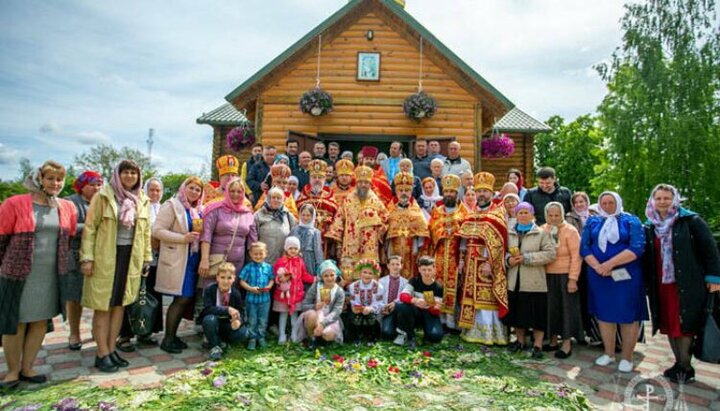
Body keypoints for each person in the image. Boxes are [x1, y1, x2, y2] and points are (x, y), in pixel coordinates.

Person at [0, 161, 77, 389]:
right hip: (19, 274)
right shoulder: (15, 203)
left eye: (59, 179)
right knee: (17, 321)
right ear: (40, 179)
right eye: (50, 178)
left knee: (40, 320)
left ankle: (28, 367)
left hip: (51, 275)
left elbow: (69, 238)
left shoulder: (66, 207)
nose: (55, 183)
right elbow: (1, 238)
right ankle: (12, 371)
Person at [643, 184, 720, 383]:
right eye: (658, 198)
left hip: (687, 284)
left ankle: (686, 367)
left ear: (675, 199)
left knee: (684, 324)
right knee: (668, 323)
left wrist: (714, 279)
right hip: (661, 284)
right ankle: (678, 363)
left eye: (666, 198)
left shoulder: (690, 221)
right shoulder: (650, 225)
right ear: (653, 201)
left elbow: (710, 251)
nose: (662, 202)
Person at [81, 159, 151, 373]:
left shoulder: (142, 200)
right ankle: (101, 353)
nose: (130, 176)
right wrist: (87, 258)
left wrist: (146, 258)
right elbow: (90, 228)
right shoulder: (103, 196)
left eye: (133, 173)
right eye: (126, 172)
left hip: (130, 257)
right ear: (117, 175)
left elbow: (146, 233)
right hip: (106, 257)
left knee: (120, 304)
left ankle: (111, 350)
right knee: (104, 305)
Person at [581, 191, 646, 372]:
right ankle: (608, 353)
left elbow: (637, 247)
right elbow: (585, 247)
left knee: (628, 315)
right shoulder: (593, 221)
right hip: (599, 276)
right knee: (604, 314)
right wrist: (598, 267)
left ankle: (627, 357)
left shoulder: (631, 221)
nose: (608, 206)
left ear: (618, 202)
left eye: (611, 202)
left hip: (626, 275)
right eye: (604, 203)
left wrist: (609, 264)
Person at [153, 176, 205, 354]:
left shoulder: (197, 209)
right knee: (180, 298)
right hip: (178, 258)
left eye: (198, 190)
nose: (194, 192)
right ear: (184, 188)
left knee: (185, 298)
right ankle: (168, 339)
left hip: (191, 259)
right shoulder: (172, 205)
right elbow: (157, 230)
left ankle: (173, 336)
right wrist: (183, 239)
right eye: (191, 188)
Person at [456, 172, 509, 345]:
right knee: (471, 296)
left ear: (491, 193)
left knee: (486, 297)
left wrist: (489, 262)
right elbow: (464, 240)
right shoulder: (470, 214)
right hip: (470, 262)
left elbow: (498, 243)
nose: (481, 195)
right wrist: (462, 261)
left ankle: (489, 334)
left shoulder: (496, 214)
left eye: (485, 191)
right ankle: (471, 331)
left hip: (485, 262)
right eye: (479, 192)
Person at [117, 176, 165, 351]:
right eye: (151, 189)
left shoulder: (163, 209)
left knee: (151, 296)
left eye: (158, 190)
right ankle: (125, 334)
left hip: (157, 260)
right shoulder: (137, 205)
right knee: (131, 296)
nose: (155, 193)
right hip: (136, 259)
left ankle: (146, 331)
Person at [505, 202, 556, 359]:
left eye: (526, 212)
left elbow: (550, 254)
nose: (523, 215)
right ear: (516, 215)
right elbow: (503, 253)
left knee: (537, 315)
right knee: (518, 313)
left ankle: (537, 345)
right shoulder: (510, 233)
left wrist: (527, 258)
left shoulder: (541, 233)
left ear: (532, 215)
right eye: (520, 213)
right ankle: (520, 341)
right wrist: (508, 260)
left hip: (534, 281)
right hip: (515, 280)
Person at [63, 170, 103, 351]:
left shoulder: (102, 201)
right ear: (81, 186)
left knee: (98, 295)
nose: (96, 188)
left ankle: (97, 330)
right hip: (75, 254)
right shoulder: (71, 202)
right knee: (74, 297)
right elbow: (67, 227)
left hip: (100, 255)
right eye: (91, 184)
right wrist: (91, 227)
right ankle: (74, 333)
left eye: (98, 184)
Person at [541, 202, 583, 358]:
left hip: (565, 275)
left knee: (566, 309)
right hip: (547, 275)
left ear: (562, 214)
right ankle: (552, 340)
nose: (553, 218)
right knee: (551, 308)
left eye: (556, 215)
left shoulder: (570, 231)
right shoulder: (542, 229)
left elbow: (576, 256)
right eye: (550, 215)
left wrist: (573, 279)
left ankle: (566, 343)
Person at [426, 174, 467, 330]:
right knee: (438, 286)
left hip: (456, 256)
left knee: (454, 286)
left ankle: (452, 321)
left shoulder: (463, 212)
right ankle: (439, 318)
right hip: (439, 254)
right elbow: (432, 229)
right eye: (447, 191)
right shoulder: (437, 211)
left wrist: (455, 231)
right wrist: (443, 231)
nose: (449, 194)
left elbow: (465, 234)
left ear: (457, 193)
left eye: (452, 192)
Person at [327, 165, 389, 266]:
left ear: (370, 184)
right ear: (356, 183)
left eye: (366, 182)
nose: (363, 185)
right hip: (350, 247)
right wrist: (338, 246)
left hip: (370, 247)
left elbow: (385, 219)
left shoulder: (376, 201)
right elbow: (338, 222)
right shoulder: (348, 200)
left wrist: (378, 233)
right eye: (360, 182)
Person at [199, 178, 258, 281]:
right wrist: (204, 259)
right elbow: (206, 236)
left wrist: (256, 264)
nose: (236, 194)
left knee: (232, 294)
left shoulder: (248, 214)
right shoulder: (214, 209)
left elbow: (252, 242)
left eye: (239, 191)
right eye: (232, 191)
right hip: (216, 262)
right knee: (212, 293)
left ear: (243, 193)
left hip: (237, 264)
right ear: (226, 192)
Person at [199, 262, 249, 360]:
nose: (226, 281)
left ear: (234, 278)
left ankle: (219, 341)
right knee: (209, 320)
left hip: (227, 323)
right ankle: (215, 347)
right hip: (213, 321)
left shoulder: (235, 293)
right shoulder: (210, 289)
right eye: (222, 277)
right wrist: (227, 309)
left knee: (243, 333)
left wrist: (239, 321)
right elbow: (207, 309)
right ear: (217, 277)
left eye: (229, 278)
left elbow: (241, 311)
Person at [292, 260, 345, 348]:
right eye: (326, 276)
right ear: (322, 277)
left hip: (330, 318)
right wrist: (314, 306)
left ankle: (323, 341)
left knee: (327, 334)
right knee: (311, 314)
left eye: (332, 275)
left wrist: (323, 324)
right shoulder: (316, 286)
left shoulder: (339, 291)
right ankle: (311, 338)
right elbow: (304, 305)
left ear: (336, 275)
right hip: (315, 315)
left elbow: (336, 311)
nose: (329, 278)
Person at [386, 172, 429, 279]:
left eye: (407, 190)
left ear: (411, 192)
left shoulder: (417, 211)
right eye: (401, 190)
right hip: (393, 249)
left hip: (411, 251)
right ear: (396, 191)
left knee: (409, 276)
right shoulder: (389, 211)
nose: (404, 193)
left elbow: (423, 232)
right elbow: (384, 231)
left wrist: (417, 246)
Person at [272, 237, 315, 345]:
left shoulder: (300, 261)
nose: (293, 250)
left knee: (294, 315)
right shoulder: (281, 261)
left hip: (296, 294)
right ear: (286, 249)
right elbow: (276, 275)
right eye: (290, 248)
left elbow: (304, 275)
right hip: (284, 294)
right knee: (283, 314)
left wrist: (314, 279)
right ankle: (282, 334)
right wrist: (279, 279)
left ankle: (294, 333)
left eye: (295, 248)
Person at [394, 256, 444, 347]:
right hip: (415, 312)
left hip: (429, 313)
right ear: (419, 269)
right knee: (401, 306)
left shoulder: (438, 287)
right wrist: (415, 300)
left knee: (436, 337)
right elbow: (402, 296)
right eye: (424, 270)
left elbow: (436, 311)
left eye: (429, 270)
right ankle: (410, 336)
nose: (426, 272)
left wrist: (435, 307)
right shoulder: (414, 281)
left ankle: (427, 333)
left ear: (434, 269)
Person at [296, 160, 338, 257]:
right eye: (314, 177)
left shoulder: (331, 199)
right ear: (310, 179)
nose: (317, 180)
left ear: (324, 179)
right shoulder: (302, 199)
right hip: (305, 240)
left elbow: (337, 220)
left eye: (320, 177)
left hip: (325, 242)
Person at [238, 242, 275, 350]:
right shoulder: (248, 267)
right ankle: (252, 338)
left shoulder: (268, 267)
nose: (258, 256)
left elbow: (272, 279)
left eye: (260, 254)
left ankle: (261, 336)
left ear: (266, 253)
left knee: (263, 319)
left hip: (265, 300)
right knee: (252, 319)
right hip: (251, 300)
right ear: (250, 254)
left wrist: (269, 286)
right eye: (255, 254)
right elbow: (242, 281)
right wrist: (250, 288)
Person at [254, 187, 296, 265]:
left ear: (283, 200)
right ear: (269, 198)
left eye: (279, 198)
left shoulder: (287, 215)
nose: (276, 200)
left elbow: (293, 234)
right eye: (273, 197)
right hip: (263, 260)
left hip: (282, 260)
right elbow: (253, 236)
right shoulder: (259, 214)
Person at [346, 259, 385, 343]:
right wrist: (355, 307)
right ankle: (356, 337)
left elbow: (380, 303)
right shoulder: (353, 286)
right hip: (358, 311)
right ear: (360, 273)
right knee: (355, 318)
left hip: (372, 312)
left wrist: (371, 308)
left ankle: (372, 338)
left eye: (370, 273)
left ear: (374, 275)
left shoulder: (379, 287)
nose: (367, 275)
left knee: (371, 319)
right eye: (364, 272)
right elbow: (353, 300)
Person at [289, 203, 324, 278]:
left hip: (309, 261)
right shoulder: (294, 229)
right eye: (303, 215)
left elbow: (318, 251)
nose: (305, 218)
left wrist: (320, 267)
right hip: (295, 259)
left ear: (313, 216)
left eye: (308, 215)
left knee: (308, 280)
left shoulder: (315, 232)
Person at [378, 256, 409, 340]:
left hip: (399, 311)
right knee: (386, 333)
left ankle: (401, 330)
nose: (395, 266)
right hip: (386, 310)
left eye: (397, 264)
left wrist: (395, 303)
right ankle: (391, 327)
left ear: (401, 266)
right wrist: (383, 307)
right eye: (392, 264)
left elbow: (404, 298)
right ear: (388, 266)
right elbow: (378, 297)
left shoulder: (406, 282)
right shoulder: (381, 281)